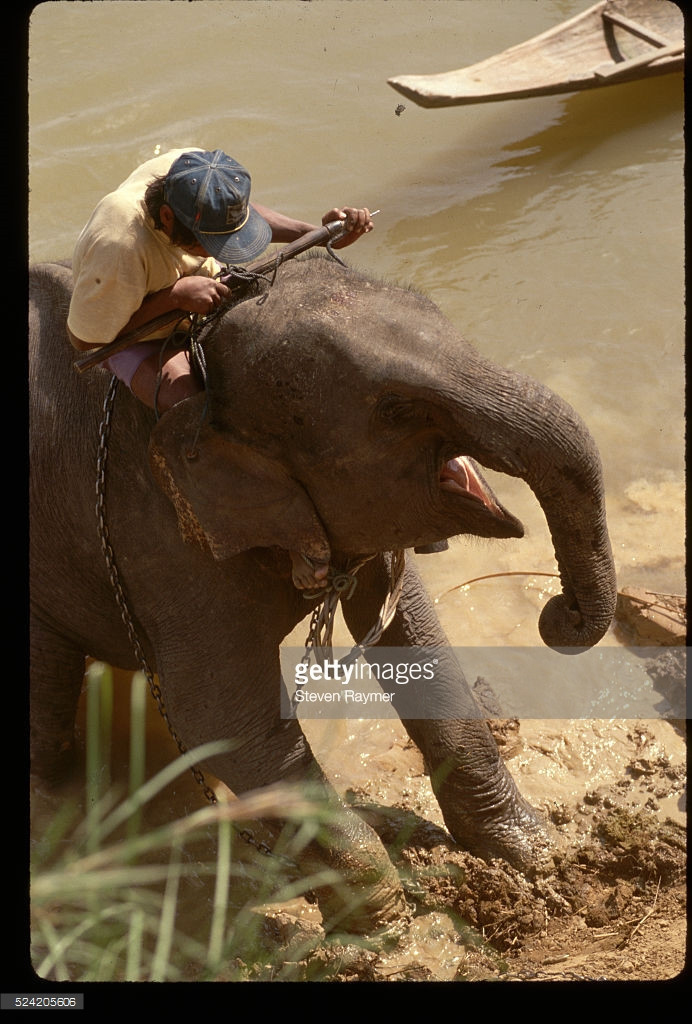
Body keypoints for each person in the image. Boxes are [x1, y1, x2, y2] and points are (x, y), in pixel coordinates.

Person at [67, 147, 374, 589]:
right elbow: (87, 340)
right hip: (136, 329)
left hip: (201, 287)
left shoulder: (191, 169)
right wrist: (173, 298)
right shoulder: (119, 246)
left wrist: (315, 233)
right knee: (194, 407)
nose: (220, 246)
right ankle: (282, 535)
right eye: (206, 240)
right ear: (168, 218)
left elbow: (243, 219)